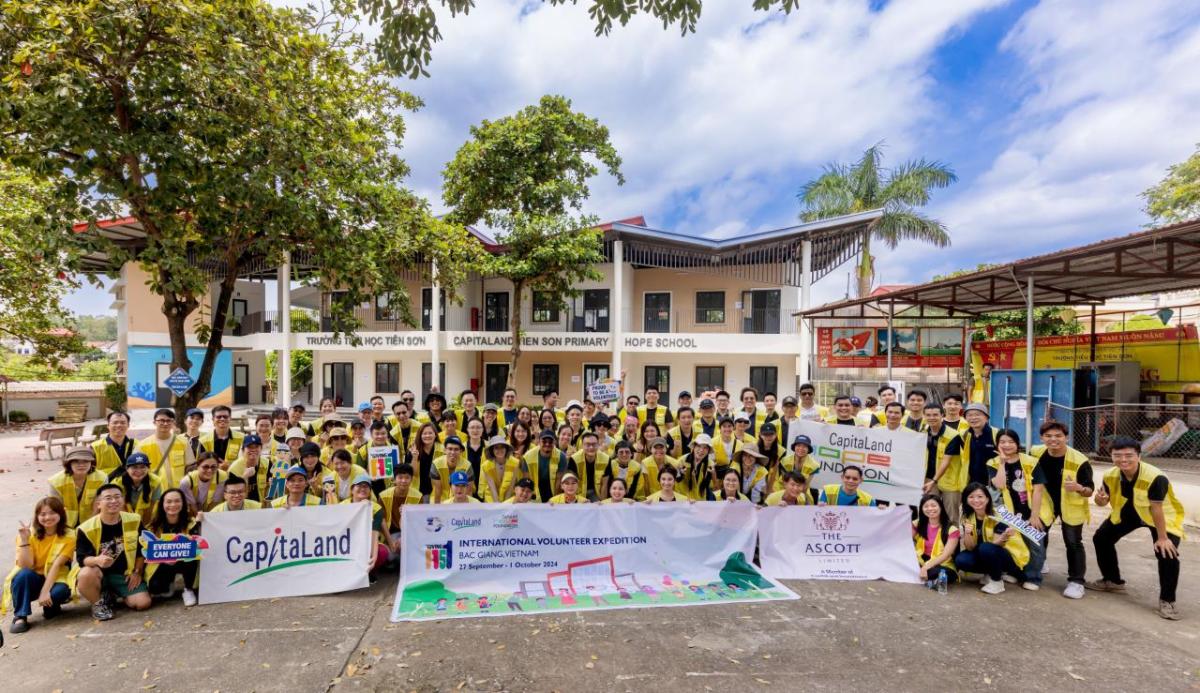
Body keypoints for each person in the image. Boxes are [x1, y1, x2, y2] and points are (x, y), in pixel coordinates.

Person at [1087, 436, 1185, 620]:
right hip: (1131, 511)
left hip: (1161, 515)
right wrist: (1100, 500)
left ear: (1139, 456)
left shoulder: (1156, 477)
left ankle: (1167, 600)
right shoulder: (1110, 475)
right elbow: (1102, 501)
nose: (1123, 460)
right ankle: (1112, 581)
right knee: (1101, 538)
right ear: (1111, 456)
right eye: (1118, 455)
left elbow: (1156, 508)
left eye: (1129, 455)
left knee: (1167, 552)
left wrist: (1162, 538)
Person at [1028, 420, 1093, 599]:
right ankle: (1041, 562)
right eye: (1048, 436)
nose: (1053, 439)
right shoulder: (1035, 452)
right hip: (1046, 501)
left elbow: (1089, 490)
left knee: (1073, 541)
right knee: (1038, 532)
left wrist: (1079, 488)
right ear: (1042, 438)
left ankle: (1077, 581)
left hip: (1070, 504)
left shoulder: (1080, 460)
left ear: (1067, 437)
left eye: (1058, 436)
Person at [73, 483, 150, 621]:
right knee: (85, 574)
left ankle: (113, 594)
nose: (113, 501)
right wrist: (97, 560)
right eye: (108, 498)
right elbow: (82, 559)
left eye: (117, 497)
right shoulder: (85, 528)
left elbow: (141, 549)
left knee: (143, 603)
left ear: (122, 500)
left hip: (124, 574)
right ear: (98, 504)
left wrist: (137, 572)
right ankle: (98, 604)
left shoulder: (134, 520)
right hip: (99, 573)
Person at [2, 497, 74, 634]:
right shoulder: (29, 533)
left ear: (61, 514)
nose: (48, 517)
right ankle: (20, 616)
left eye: (52, 512)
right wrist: (25, 540)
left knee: (61, 592)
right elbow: (26, 565)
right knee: (23, 575)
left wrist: (45, 592)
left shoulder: (70, 535)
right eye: (42, 514)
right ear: (37, 517)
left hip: (55, 577)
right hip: (33, 578)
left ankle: (51, 606)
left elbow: (57, 565)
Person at [987, 428, 1046, 590]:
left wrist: (1035, 515)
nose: (1007, 445)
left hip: (1029, 511)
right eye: (1002, 442)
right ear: (997, 445)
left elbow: (1038, 489)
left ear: (1017, 443)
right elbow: (998, 485)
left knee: (1035, 543)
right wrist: (1002, 461)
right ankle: (1016, 573)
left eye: (1011, 442)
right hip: (1007, 514)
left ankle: (1034, 577)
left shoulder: (1030, 461)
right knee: (1011, 544)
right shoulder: (993, 463)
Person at [956, 482, 1030, 594]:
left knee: (985, 548)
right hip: (988, 552)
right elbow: (970, 547)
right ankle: (990, 573)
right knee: (961, 560)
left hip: (1011, 557)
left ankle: (997, 581)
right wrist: (967, 533)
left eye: (980, 496)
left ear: (987, 498)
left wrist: (1004, 537)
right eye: (971, 497)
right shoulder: (968, 517)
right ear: (966, 500)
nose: (976, 500)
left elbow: (996, 545)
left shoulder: (999, 516)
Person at [144, 489, 200, 606]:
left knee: (192, 553)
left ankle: (188, 589)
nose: (173, 505)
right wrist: (164, 559)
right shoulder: (153, 527)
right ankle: (168, 583)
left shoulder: (192, 523)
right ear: (162, 504)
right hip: (163, 563)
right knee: (156, 589)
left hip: (184, 562)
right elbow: (148, 551)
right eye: (168, 502)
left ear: (183, 503)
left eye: (177, 501)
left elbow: (200, 546)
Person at [48, 445, 108, 528]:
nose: (81, 465)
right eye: (76, 461)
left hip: (93, 520)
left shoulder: (102, 478)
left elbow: (101, 503)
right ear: (69, 463)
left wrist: (90, 525)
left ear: (91, 463)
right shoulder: (55, 481)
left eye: (86, 461)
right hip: (64, 523)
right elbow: (55, 507)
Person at [924, 403, 965, 523]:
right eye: (928, 415)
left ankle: (953, 541)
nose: (932, 417)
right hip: (929, 479)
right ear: (924, 416)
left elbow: (946, 461)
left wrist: (934, 481)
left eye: (935, 415)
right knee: (931, 514)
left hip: (950, 482)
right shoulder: (923, 433)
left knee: (951, 516)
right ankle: (935, 541)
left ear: (942, 415)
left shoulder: (953, 435)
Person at [942, 403, 998, 488]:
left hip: (993, 485)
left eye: (977, 414)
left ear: (986, 417)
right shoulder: (963, 435)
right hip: (971, 484)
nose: (973, 418)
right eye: (969, 415)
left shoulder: (996, 434)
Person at [344, 478, 388, 577]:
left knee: (382, 552)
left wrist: (374, 556)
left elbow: (374, 533)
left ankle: (369, 573)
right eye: (359, 486)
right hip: (347, 543)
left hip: (367, 543)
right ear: (352, 490)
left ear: (370, 491)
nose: (362, 489)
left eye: (366, 486)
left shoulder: (376, 508)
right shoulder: (342, 506)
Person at [913, 493, 959, 588]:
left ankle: (929, 578)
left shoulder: (952, 529)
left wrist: (926, 567)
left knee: (942, 573)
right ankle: (931, 580)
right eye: (926, 506)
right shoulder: (917, 523)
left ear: (941, 507)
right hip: (921, 560)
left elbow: (945, 555)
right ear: (921, 509)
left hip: (941, 563)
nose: (930, 509)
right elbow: (904, 540)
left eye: (933, 505)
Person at [380, 463, 423, 559]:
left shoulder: (418, 496)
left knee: (405, 550)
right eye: (400, 477)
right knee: (390, 557)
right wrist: (390, 541)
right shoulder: (383, 495)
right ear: (394, 479)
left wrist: (403, 538)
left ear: (411, 479)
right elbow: (382, 521)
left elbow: (419, 521)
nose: (403, 481)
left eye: (407, 478)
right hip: (390, 534)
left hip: (410, 533)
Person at [110, 452, 165, 525]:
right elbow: (118, 508)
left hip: (145, 522)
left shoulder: (155, 482)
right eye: (134, 467)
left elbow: (153, 507)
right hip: (121, 522)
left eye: (142, 467)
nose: (139, 471)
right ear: (127, 469)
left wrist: (145, 527)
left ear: (148, 468)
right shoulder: (117, 484)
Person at [138, 408, 187, 488]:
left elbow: (190, 467)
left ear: (173, 423)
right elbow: (137, 470)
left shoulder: (183, 442)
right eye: (161, 420)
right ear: (154, 422)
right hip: (155, 491)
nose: (165, 423)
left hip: (179, 491)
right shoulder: (143, 445)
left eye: (169, 421)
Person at [523, 429, 575, 503]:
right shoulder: (527, 456)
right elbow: (526, 481)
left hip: (552, 488)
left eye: (550, 442)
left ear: (555, 442)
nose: (547, 444)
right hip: (534, 489)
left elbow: (559, 481)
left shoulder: (561, 456)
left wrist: (555, 500)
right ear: (539, 442)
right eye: (544, 441)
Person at [229, 433, 271, 504]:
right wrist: (244, 477)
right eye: (249, 447)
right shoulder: (234, 469)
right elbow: (232, 494)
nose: (253, 450)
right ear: (243, 450)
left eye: (256, 447)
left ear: (261, 449)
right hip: (242, 508)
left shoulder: (267, 464)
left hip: (262, 508)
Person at [92, 410, 135, 476]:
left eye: (123, 423)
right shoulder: (95, 447)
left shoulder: (137, 445)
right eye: (115, 422)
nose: (119, 425)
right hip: (106, 485)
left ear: (128, 425)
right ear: (108, 425)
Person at [200, 405, 244, 469]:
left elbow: (245, 461)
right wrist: (217, 467)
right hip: (212, 477)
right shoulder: (203, 441)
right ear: (213, 419)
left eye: (225, 417)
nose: (222, 419)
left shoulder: (242, 438)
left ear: (230, 419)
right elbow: (200, 464)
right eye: (219, 417)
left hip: (234, 477)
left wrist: (230, 466)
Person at [431, 436, 472, 503]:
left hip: (460, 499)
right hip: (441, 498)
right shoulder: (436, 464)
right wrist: (437, 510)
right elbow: (437, 490)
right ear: (444, 450)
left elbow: (468, 491)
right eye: (450, 449)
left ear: (461, 451)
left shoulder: (467, 465)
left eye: (456, 449)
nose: (453, 452)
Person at [572, 432, 609, 502]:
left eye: (594, 444)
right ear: (582, 446)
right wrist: (579, 500)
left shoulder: (606, 459)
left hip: (595, 493)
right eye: (588, 444)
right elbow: (571, 483)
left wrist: (603, 504)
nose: (591, 447)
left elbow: (604, 484)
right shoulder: (574, 459)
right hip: (578, 493)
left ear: (598, 445)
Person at [480, 436, 518, 502]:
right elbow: (492, 488)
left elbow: (511, 486)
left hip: (509, 495)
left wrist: (506, 504)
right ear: (492, 450)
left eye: (502, 447)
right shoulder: (486, 465)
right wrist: (497, 505)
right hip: (491, 496)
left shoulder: (515, 462)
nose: (499, 450)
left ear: (506, 449)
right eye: (496, 448)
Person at [410, 422, 443, 499]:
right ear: (420, 435)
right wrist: (415, 457)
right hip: (418, 491)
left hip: (437, 490)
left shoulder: (443, 450)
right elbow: (413, 473)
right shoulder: (413, 449)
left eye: (430, 433)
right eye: (424, 433)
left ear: (435, 435)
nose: (427, 436)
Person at [181, 408, 207, 472]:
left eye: (198, 419)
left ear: (202, 422)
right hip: (182, 476)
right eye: (192, 418)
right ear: (185, 420)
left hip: (202, 475)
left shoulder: (207, 438)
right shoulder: (178, 439)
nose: (194, 421)